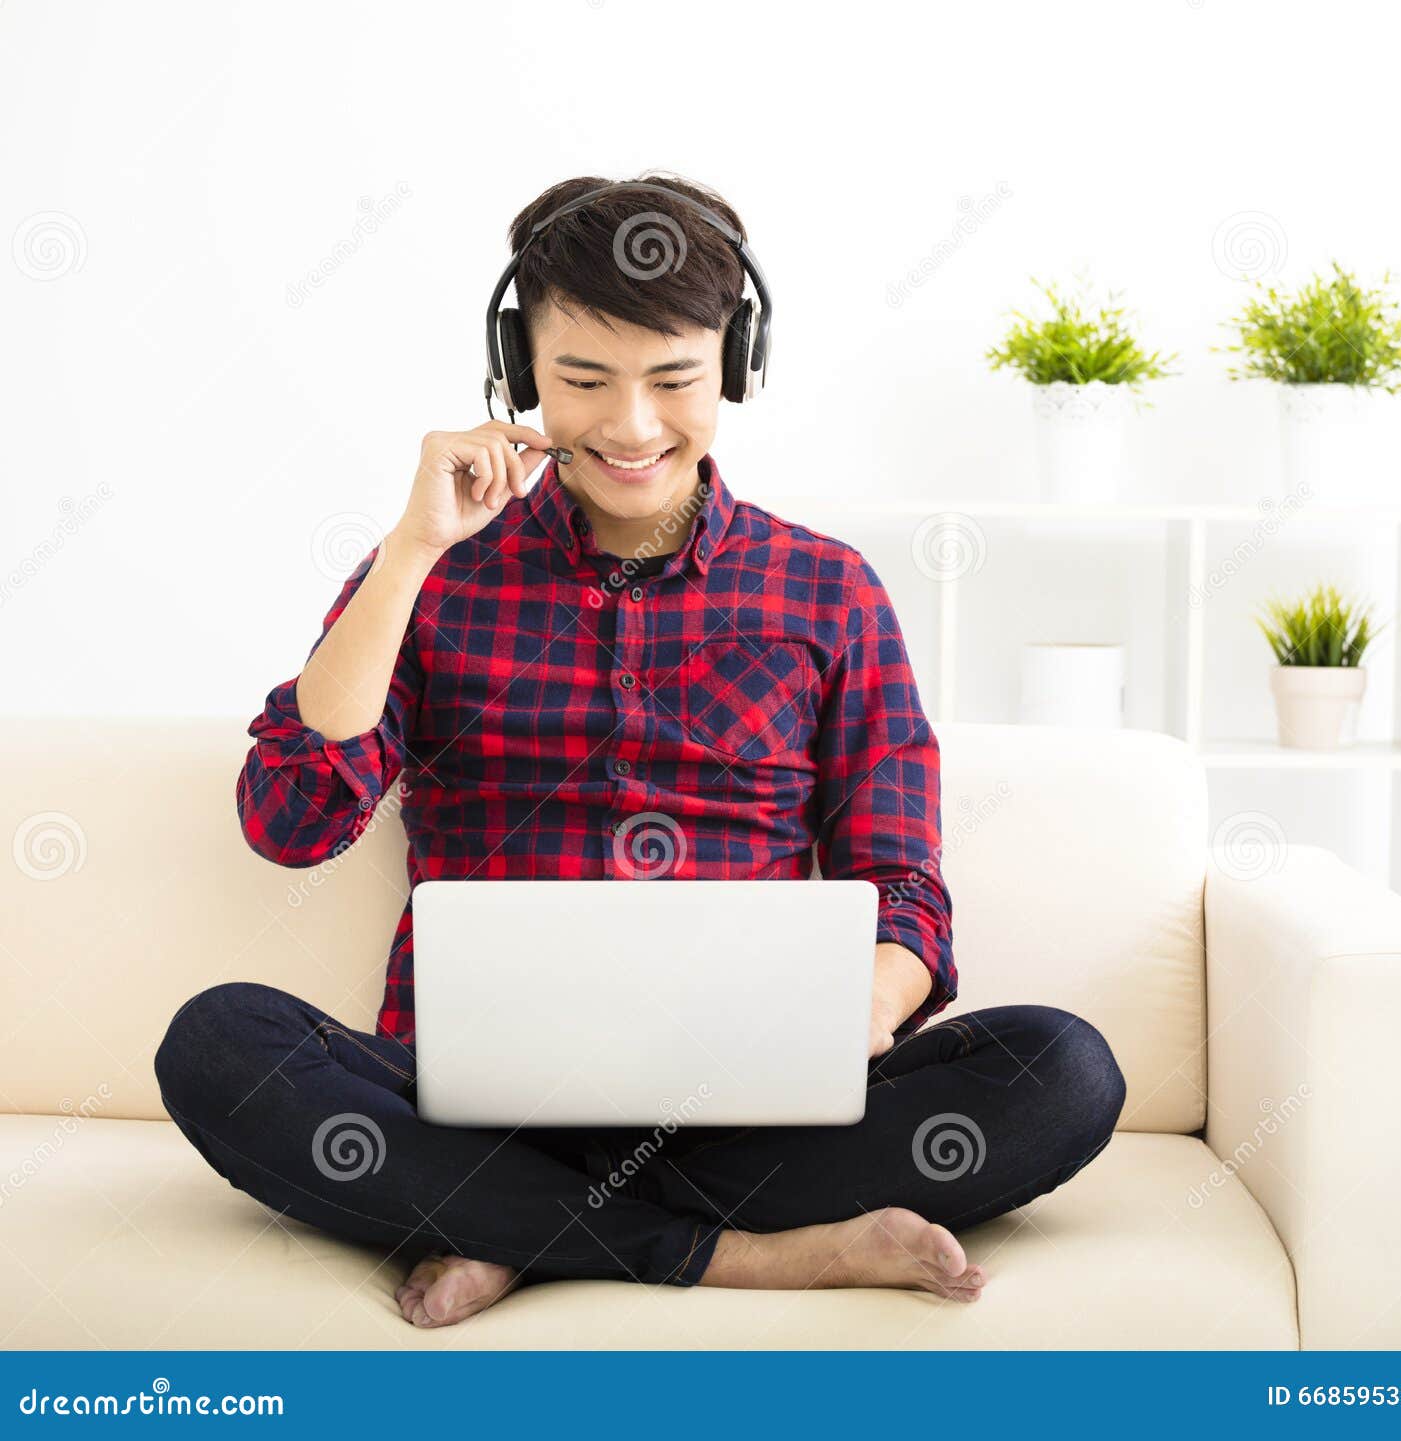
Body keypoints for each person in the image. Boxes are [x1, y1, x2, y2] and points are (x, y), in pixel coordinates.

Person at [153, 172, 1126, 1330]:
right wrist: (409, 552)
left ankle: (513, 1226)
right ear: (519, 376)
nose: (630, 426)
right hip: (472, 1104)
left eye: (673, 380)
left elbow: (905, 890)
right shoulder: (433, 573)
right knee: (220, 1045)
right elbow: (290, 819)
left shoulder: (829, 591)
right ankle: (752, 1258)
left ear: (735, 367)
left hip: (748, 1114)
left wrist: (856, 1007)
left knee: (1062, 1071)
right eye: (581, 380)